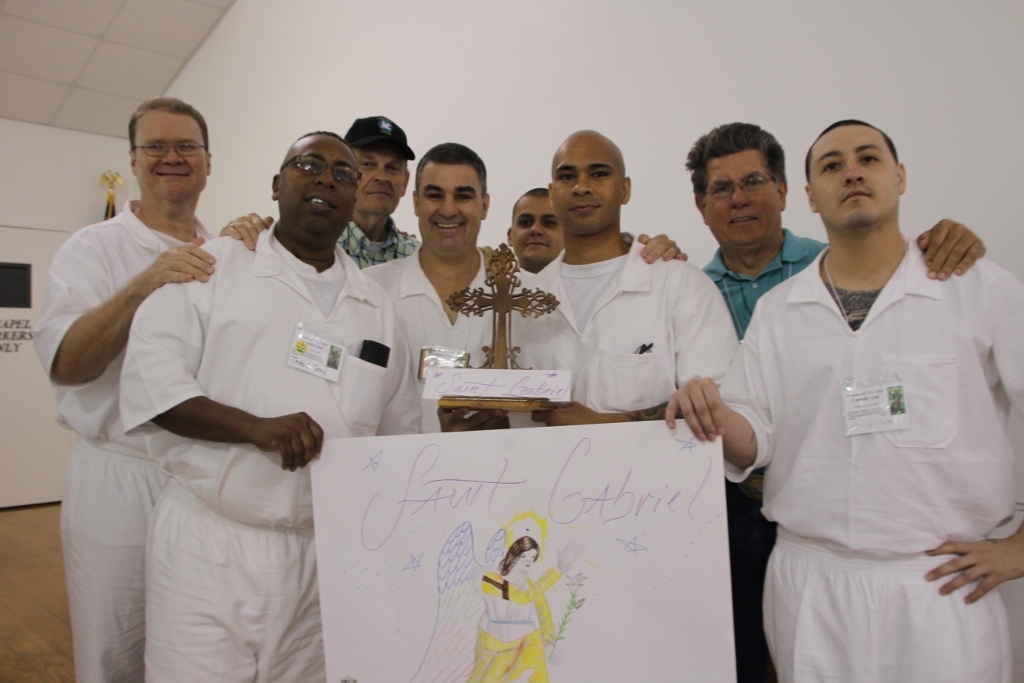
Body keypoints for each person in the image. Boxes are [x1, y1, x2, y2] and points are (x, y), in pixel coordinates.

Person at [668, 120, 1024, 682]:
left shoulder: (977, 288)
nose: (852, 173)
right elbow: (755, 434)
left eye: (868, 159)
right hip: (811, 581)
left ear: (900, 176)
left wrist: (1020, 549)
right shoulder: (782, 310)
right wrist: (707, 409)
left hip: (940, 582)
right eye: (832, 166)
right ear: (811, 195)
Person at [119, 131, 420, 681]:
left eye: (343, 174)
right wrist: (255, 429)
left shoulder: (378, 309)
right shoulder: (211, 267)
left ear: (353, 198)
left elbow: (397, 435)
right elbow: (152, 385)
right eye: (309, 165)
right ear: (277, 184)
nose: (326, 178)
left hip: (321, 554)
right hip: (210, 546)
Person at [33, 96, 216, 683]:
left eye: (185, 146)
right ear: (133, 161)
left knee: (194, 649)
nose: (171, 157)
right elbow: (68, 365)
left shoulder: (224, 252)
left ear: (208, 161)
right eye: (155, 146)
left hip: (198, 478)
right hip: (119, 477)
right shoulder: (93, 248)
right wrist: (143, 285)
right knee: (114, 649)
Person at [524, 130, 737, 428]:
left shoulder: (681, 285)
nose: (581, 187)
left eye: (598, 174)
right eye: (567, 177)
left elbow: (718, 404)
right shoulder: (523, 301)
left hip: (655, 461)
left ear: (625, 189)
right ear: (551, 193)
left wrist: (605, 424)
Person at [223, 115, 420, 268]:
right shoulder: (280, 242)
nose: (381, 177)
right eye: (368, 164)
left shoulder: (417, 257)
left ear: (405, 182)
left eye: (393, 168)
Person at [467, 536, 582, 683]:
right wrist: (558, 570)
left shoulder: (529, 584)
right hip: (495, 642)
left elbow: (543, 612)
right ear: (512, 555)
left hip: (527, 640)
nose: (529, 561)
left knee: (538, 678)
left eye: (533, 557)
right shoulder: (489, 578)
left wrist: (549, 643)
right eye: (524, 556)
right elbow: (523, 597)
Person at [507, 188, 563, 274]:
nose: (535, 230)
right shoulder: (491, 281)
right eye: (525, 222)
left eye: (549, 223)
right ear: (510, 236)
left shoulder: (583, 282)